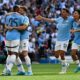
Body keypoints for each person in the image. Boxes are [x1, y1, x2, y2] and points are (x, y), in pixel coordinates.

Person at [36, 8, 73, 74]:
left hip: (65, 39)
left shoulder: (71, 19)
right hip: (58, 39)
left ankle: (64, 69)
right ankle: (66, 63)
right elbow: (51, 20)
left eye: (64, 12)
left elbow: (77, 20)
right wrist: (42, 18)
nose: (62, 13)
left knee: (62, 54)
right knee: (56, 55)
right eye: (62, 12)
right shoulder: (59, 19)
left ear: (67, 13)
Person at [1, 5, 28, 76]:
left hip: (7, 35)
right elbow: (24, 27)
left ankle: (20, 70)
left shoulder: (8, 16)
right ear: (18, 10)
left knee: (9, 54)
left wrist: (9, 27)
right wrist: (15, 27)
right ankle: (8, 70)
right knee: (14, 54)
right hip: (16, 36)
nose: (20, 10)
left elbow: (5, 26)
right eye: (20, 9)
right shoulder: (22, 17)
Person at [15, 6, 33, 76]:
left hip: (24, 37)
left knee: (24, 53)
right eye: (19, 10)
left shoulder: (26, 18)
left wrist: (14, 27)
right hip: (16, 38)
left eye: (21, 10)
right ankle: (21, 70)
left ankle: (30, 71)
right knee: (15, 54)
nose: (19, 11)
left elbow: (24, 27)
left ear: (24, 11)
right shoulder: (16, 18)